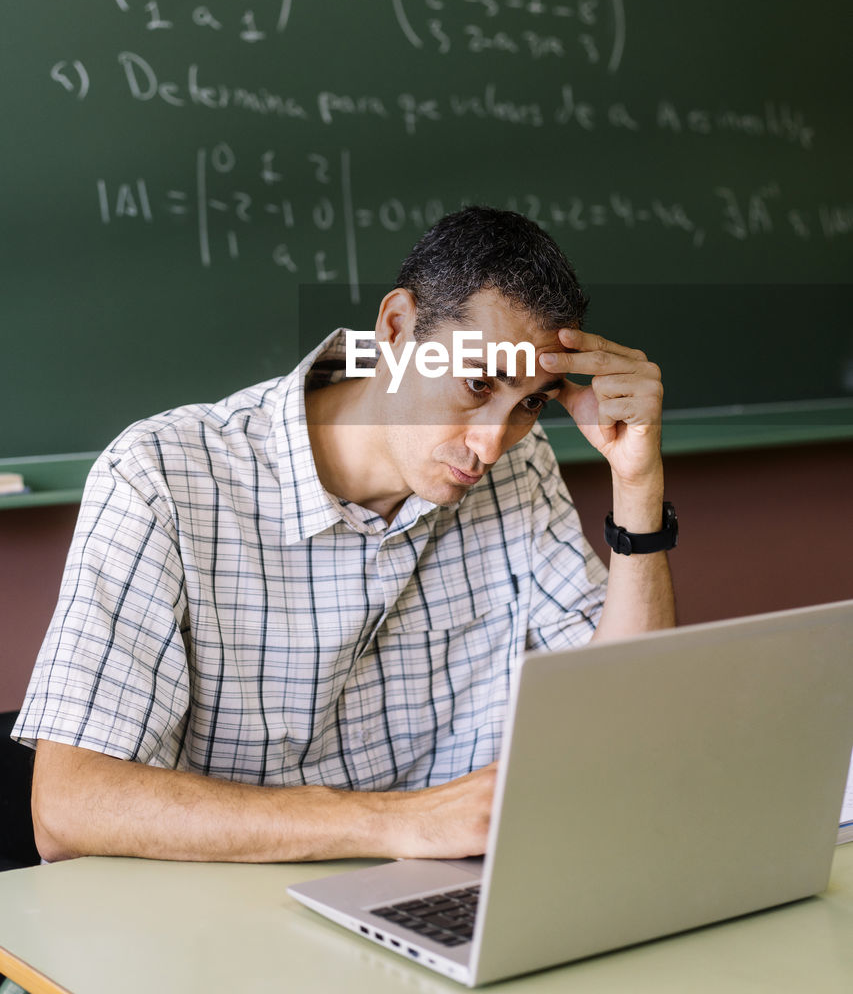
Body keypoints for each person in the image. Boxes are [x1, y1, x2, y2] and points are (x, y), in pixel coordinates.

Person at [14, 207, 676, 865]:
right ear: (395, 329)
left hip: (450, 910)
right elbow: (69, 807)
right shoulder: (162, 475)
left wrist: (637, 482)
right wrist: (397, 824)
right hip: (223, 928)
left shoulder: (518, 466)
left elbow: (631, 708)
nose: (491, 444)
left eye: (531, 402)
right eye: (477, 384)